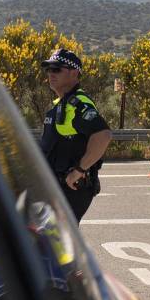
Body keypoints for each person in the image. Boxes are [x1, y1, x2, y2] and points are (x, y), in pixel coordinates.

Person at [38, 48, 112, 221]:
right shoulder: (60, 105)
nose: (51, 73)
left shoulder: (78, 104)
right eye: (49, 69)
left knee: (58, 241)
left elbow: (103, 135)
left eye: (57, 69)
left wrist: (79, 170)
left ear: (74, 73)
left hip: (70, 189)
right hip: (55, 188)